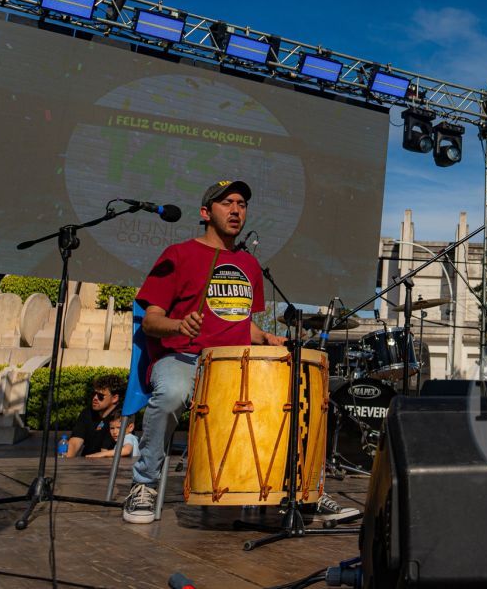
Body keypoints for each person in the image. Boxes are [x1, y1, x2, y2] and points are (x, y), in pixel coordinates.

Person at [122, 180, 361, 525]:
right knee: (172, 392)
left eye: (242, 204)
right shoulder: (178, 255)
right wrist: (178, 325)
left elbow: (239, 320)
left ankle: (305, 492)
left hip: (236, 365)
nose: (236, 210)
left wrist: (265, 337)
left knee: (294, 395)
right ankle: (144, 484)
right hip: (186, 358)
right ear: (206, 213)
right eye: (226, 203)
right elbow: (151, 322)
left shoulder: (249, 265)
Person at [64, 374, 125, 457]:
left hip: (110, 464)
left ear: (115, 398)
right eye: (93, 394)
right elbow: (75, 442)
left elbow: (127, 448)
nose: (95, 398)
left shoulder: (123, 417)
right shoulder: (87, 413)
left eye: (100, 396)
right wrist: (65, 459)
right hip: (86, 463)